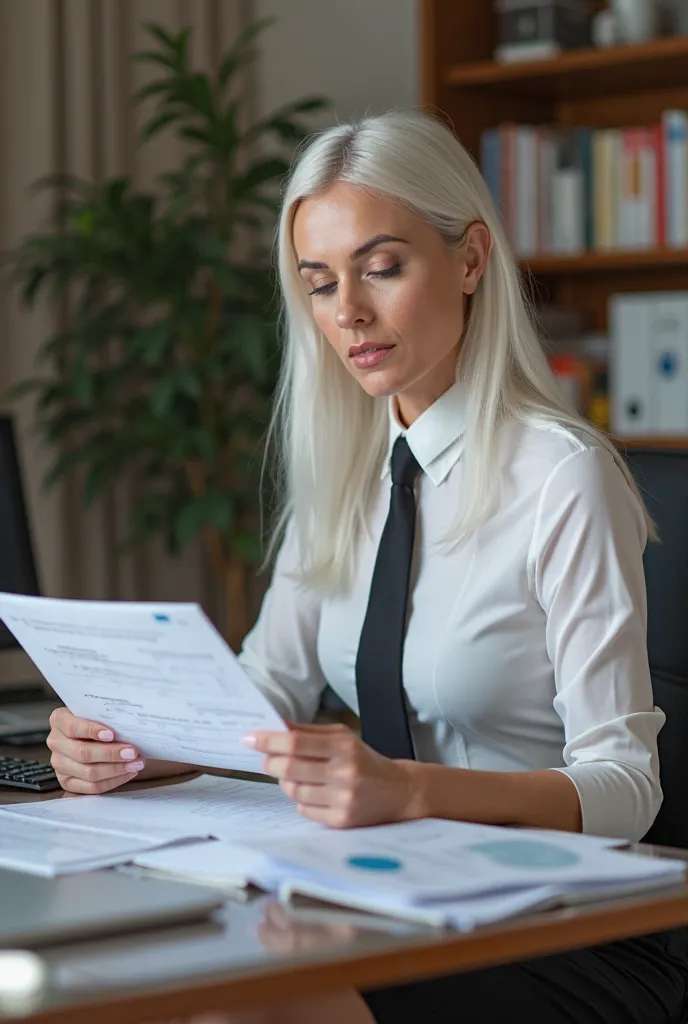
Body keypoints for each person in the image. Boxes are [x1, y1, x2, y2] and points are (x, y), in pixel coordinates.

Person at [46, 110, 687, 1023]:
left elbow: (626, 789)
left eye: (382, 268)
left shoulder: (560, 478)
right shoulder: (347, 468)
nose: (347, 312)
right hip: (393, 893)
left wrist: (411, 791)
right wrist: (139, 744)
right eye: (319, 283)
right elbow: (268, 688)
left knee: (243, 1006)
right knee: (144, 971)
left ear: (469, 260)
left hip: (557, 922)